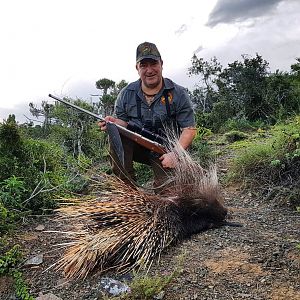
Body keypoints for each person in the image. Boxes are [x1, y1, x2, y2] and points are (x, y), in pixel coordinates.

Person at [99, 41, 196, 191]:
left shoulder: (178, 93)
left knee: (169, 194)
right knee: (115, 132)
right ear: (137, 68)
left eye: (153, 64)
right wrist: (113, 122)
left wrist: (176, 154)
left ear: (161, 64)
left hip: (168, 151)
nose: (149, 70)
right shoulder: (126, 93)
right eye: (144, 65)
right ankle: (128, 189)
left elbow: (189, 129)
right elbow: (123, 123)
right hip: (139, 146)